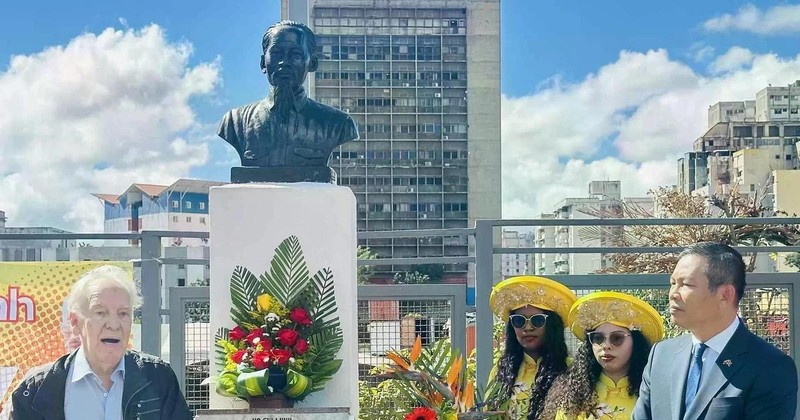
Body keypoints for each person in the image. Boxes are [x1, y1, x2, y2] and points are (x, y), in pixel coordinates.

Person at [633, 242, 798, 420]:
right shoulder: (661, 355)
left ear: (725, 295)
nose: (673, 293)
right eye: (672, 283)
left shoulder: (770, 366)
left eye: (686, 284)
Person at [10, 265, 192, 420]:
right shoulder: (37, 390)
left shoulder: (158, 378)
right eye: (100, 313)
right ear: (75, 323)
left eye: (123, 313)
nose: (113, 325)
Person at [218, 20, 358, 169]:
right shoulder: (235, 122)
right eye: (277, 53)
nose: (284, 62)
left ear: (312, 63)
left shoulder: (338, 124)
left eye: (296, 54)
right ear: (263, 63)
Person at [541, 291, 664, 420]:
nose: (606, 346)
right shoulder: (572, 396)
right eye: (598, 338)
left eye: (617, 338)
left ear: (636, 342)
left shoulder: (653, 394)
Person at [489, 276, 578, 420]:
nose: (528, 328)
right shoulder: (501, 370)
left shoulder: (570, 370)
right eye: (519, 321)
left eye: (537, 320)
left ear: (552, 326)